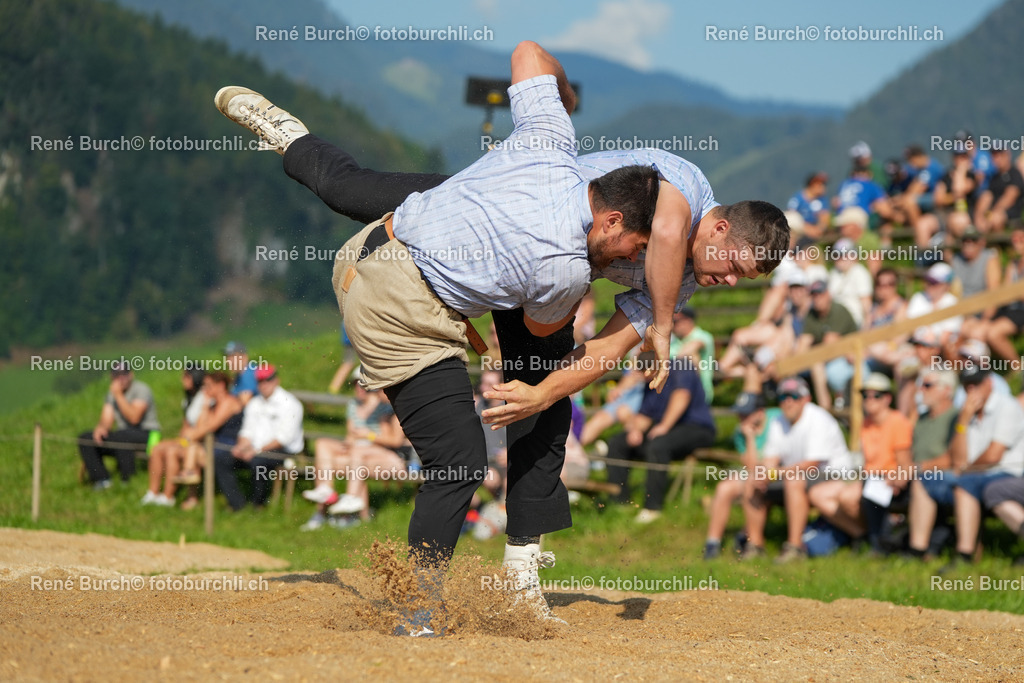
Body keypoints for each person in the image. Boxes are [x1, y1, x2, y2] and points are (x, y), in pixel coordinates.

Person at [215, 41, 789, 632]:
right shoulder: (685, 187)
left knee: (546, 414)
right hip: (504, 208)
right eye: (731, 264)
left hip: (555, 279)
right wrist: (562, 91)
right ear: (717, 224)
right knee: (346, 191)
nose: (724, 280)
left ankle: (521, 575)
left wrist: (545, 389)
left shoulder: (680, 282)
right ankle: (288, 135)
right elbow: (666, 230)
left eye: (739, 281)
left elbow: (609, 347)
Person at [906, 365, 1024, 564]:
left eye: (976, 384)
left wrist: (966, 470)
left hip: (1006, 472)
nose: (971, 390)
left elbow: (994, 456)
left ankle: (964, 554)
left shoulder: (1007, 406)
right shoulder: (966, 413)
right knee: (923, 479)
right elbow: (958, 459)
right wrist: (963, 420)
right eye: (967, 385)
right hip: (976, 474)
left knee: (965, 485)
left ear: (989, 383)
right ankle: (917, 550)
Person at [741, 377, 851, 563]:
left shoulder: (818, 418)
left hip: (834, 475)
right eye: (783, 396)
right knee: (753, 480)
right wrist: (763, 474)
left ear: (806, 399)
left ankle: (794, 547)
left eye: (793, 396)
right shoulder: (778, 421)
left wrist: (773, 473)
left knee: (793, 481)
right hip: (799, 474)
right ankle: (755, 545)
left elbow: (812, 464)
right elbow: (771, 459)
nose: (787, 401)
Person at [806, 373, 913, 555]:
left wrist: (894, 479)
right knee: (817, 494)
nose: (869, 400)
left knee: (848, 497)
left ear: (888, 398)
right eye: (865, 395)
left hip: (889, 481)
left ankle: (877, 540)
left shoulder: (898, 422)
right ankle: (862, 535)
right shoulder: (866, 423)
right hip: (869, 479)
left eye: (876, 395)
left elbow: (904, 464)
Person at [606, 363, 716, 523]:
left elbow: (682, 396)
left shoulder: (681, 367)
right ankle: (619, 501)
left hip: (698, 429)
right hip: (667, 431)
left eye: (642, 372)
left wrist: (664, 426)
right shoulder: (650, 383)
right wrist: (633, 427)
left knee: (658, 446)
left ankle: (652, 508)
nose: (640, 376)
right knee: (618, 442)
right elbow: (645, 417)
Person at [703, 391, 784, 559]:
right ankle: (713, 543)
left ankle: (749, 539)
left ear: (760, 412)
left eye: (746, 413)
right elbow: (751, 466)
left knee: (756, 486)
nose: (742, 417)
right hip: (757, 474)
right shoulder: (740, 432)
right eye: (740, 413)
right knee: (724, 487)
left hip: (781, 472)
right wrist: (749, 437)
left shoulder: (778, 419)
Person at [216, 365, 304, 511]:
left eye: (267, 380)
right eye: (260, 381)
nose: (263, 384)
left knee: (258, 462)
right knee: (221, 458)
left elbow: (283, 439)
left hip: (283, 451)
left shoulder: (290, 404)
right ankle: (237, 504)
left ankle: (258, 504)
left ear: (276, 380)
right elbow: (246, 431)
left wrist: (256, 450)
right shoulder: (254, 403)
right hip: (255, 449)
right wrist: (242, 446)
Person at [78, 362, 161, 489]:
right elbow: (106, 418)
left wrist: (118, 395)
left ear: (131, 375)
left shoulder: (141, 389)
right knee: (86, 438)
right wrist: (101, 428)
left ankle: (127, 480)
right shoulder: (111, 394)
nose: (120, 379)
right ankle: (102, 479)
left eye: (123, 375)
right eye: (116, 375)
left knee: (122, 435)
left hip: (147, 434)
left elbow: (134, 418)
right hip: (122, 434)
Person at [172, 371, 245, 510]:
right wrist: (205, 406)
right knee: (192, 447)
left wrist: (188, 438)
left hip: (229, 446)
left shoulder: (229, 402)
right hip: (214, 446)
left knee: (192, 447)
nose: (205, 389)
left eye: (208, 386)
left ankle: (190, 483)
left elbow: (210, 427)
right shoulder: (213, 404)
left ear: (221, 385)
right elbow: (201, 427)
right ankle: (190, 480)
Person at [143, 367, 206, 506]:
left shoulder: (204, 398)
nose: (182, 380)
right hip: (187, 440)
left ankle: (168, 496)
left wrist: (183, 441)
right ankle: (152, 493)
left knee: (172, 451)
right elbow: (186, 425)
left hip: (197, 443)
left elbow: (201, 427)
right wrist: (180, 440)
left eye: (186, 376)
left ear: (195, 378)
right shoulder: (189, 398)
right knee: (157, 448)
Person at [668, 306, 715, 403]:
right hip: (674, 392)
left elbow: (686, 353)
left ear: (688, 320)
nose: (671, 325)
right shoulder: (674, 342)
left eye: (675, 321)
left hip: (699, 393)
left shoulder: (703, 336)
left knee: (691, 356)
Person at [224, 341, 258, 406]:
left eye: (232, 356)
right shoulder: (239, 375)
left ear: (244, 357)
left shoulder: (249, 374)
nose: (228, 361)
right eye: (227, 357)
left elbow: (244, 402)